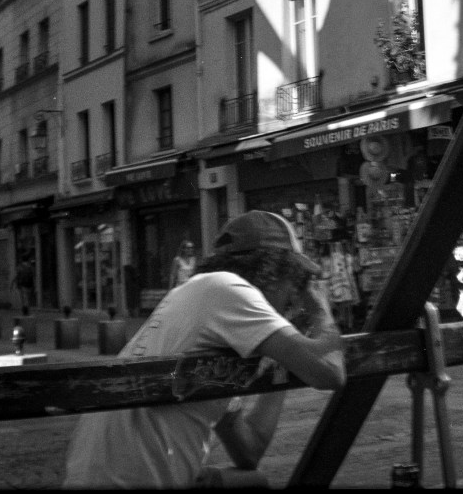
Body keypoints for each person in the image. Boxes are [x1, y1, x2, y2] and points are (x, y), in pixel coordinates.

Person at [63, 210, 346, 489]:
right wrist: (320, 307)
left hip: (98, 477)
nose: (296, 299)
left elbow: (249, 451)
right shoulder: (227, 289)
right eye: (296, 283)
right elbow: (330, 372)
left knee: (252, 481)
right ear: (273, 272)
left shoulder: (198, 301)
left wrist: (284, 357)